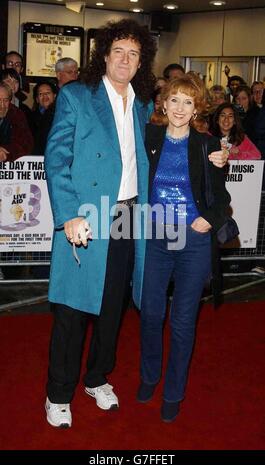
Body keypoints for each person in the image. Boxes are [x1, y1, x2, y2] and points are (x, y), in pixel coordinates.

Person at [44, 18, 157, 428]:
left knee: (113, 308)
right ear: (105, 56)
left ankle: (96, 378)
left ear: (141, 61)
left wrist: (213, 156)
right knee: (73, 311)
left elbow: (176, 142)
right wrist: (69, 213)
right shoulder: (77, 96)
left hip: (129, 214)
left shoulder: (145, 104)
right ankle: (58, 394)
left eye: (134, 54)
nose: (126, 60)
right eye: (119, 52)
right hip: (86, 217)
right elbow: (56, 158)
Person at [137, 74, 231, 423]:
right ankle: (149, 376)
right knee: (150, 313)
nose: (179, 108)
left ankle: (173, 392)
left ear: (196, 110)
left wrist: (208, 218)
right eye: (174, 99)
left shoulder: (207, 145)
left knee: (182, 321)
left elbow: (222, 200)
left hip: (193, 240)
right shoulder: (149, 137)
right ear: (164, 103)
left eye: (187, 102)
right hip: (156, 236)